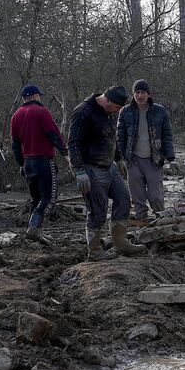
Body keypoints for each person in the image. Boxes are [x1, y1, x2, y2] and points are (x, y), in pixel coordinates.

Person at [68, 85, 144, 261]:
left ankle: (120, 243)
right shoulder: (83, 111)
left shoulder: (109, 111)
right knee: (97, 210)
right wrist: (79, 170)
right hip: (90, 167)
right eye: (116, 107)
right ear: (106, 100)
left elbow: (111, 136)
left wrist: (118, 158)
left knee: (123, 199)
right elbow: (73, 143)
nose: (117, 111)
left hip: (109, 166)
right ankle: (95, 251)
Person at [10, 85, 68, 243]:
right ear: (36, 96)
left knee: (36, 199)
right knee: (49, 198)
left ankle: (35, 232)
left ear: (24, 98)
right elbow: (53, 134)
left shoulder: (16, 115)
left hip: (28, 162)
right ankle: (34, 228)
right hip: (43, 161)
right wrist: (65, 153)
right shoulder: (42, 112)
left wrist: (20, 163)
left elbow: (15, 144)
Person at [115, 79, 175, 221]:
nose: (140, 96)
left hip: (154, 159)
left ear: (148, 94)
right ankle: (141, 219)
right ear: (133, 94)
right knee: (137, 194)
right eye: (137, 92)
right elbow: (120, 137)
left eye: (143, 92)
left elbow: (167, 136)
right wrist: (119, 158)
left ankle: (160, 218)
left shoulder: (160, 111)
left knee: (156, 195)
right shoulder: (125, 111)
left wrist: (171, 158)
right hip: (133, 159)